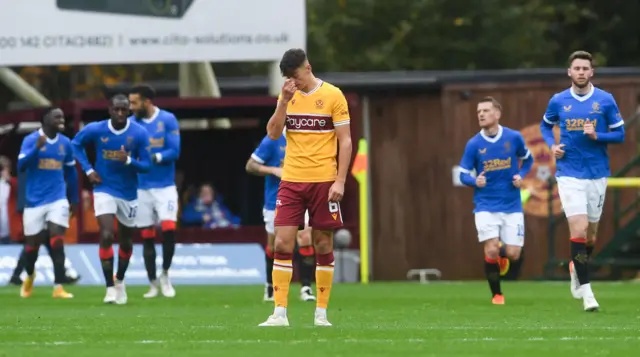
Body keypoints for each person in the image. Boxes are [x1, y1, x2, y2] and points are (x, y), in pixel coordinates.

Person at [258, 48, 352, 327]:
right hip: (291, 180)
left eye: (295, 76)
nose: (293, 82)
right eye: (288, 78)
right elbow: (273, 134)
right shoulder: (287, 96)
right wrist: (283, 102)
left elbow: (345, 141)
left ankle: (321, 313)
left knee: (322, 243)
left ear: (307, 67)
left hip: (324, 180)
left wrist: (340, 180)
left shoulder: (334, 95)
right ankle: (279, 312)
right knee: (283, 242)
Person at [540, 50, 625, 312]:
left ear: (591, 72)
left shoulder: (605, 100)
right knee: (578, 229)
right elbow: (545, 125)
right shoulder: (558, 101)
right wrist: (552, 146)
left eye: (585, 68)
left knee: (590, 237)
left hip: (597, 173)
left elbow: (620, 134)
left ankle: (576, 267)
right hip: (569, 174)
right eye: (576, 68)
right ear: (569, 72)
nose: (580, 72)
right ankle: (588, 294)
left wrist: (597, 135)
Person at [71, 94, 151, 304]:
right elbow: (75, 144)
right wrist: (88, 170)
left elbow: (147, 165)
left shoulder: (139, 133)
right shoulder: (96, 129)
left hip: (129, 193)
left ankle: (120, 281)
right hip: (104, 188)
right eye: (116, 109)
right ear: (109, 110)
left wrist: (129, 161)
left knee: (126, 241)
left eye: (124, 110)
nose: (120, 113)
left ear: (129, 111)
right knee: (106, 234)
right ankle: (108, 288)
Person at [458, 97, 533, 305]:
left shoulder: (513, 137)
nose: (481, 114)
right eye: (478, 111)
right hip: (485, 206)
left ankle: (501, 256)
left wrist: (521, 175)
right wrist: (475, 181)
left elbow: (528, 159)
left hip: (511, 205)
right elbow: (462, 174)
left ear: (497, 114)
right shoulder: (474, 144)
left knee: (513, 254)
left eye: (485, 110)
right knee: (491, 248)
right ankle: (497, 294)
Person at [17, 107, 79, 299]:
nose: (62, 120)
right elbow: (21, 166)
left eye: (62, 116)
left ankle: (58, 286)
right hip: (34, 201)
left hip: (57, 198)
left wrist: (74, 199)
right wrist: (36, 148)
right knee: (32, 248)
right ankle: (29, 275)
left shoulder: (65, 143)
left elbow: (71, 172)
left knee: (57, 238)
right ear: (45, 119)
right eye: (57, 117)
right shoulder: (30, 140)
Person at [246, 133, 316, 303]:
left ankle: (306, 287)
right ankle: (270, 285)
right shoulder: (273, 139)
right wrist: (273, 170)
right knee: (275, 244)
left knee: (305, 237)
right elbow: (250, 166)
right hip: (275, 200)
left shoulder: (307, 137)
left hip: (302, 198)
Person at [128, 84, 181, 299]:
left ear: (147, 102)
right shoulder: (131, 124)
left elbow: (174, 150)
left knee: (168, 228)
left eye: (134, 103)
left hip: (164, 186)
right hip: (141, 188)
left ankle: (165, 274)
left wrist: (155, 158)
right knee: (146, 235)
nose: (131, 107)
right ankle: (152, 283)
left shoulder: (167, 120)